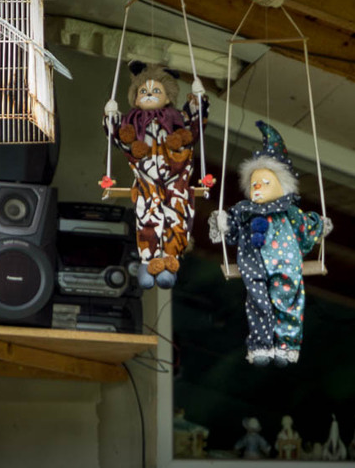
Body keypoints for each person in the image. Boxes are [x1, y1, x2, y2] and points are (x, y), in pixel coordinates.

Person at [209, 121, 331, 366]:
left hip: (285, 264)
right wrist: (224, 224)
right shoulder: (244, 211)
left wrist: (319, 226)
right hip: (253, 264)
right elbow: (232, 233)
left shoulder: (289, 211)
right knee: (257, 303)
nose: (257, 187)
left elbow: (305, 226)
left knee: (287, 300)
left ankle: (287, 344)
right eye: (254, 183)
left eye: (265, 182)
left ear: (282, 185)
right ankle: (261, 345)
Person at [104, 61, 207, 289]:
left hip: (175, 175)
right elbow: (119, 137)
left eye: (156, 91)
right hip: (146, 177)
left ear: (168, 97)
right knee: (147, 214)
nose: (149, 94)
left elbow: (195, 125)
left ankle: (170, 258)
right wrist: (111, 117)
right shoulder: (132, 121)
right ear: (135, 98)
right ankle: (148, 260)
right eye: (143, 91)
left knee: (176, 213)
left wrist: (198, 101)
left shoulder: (177, 118)